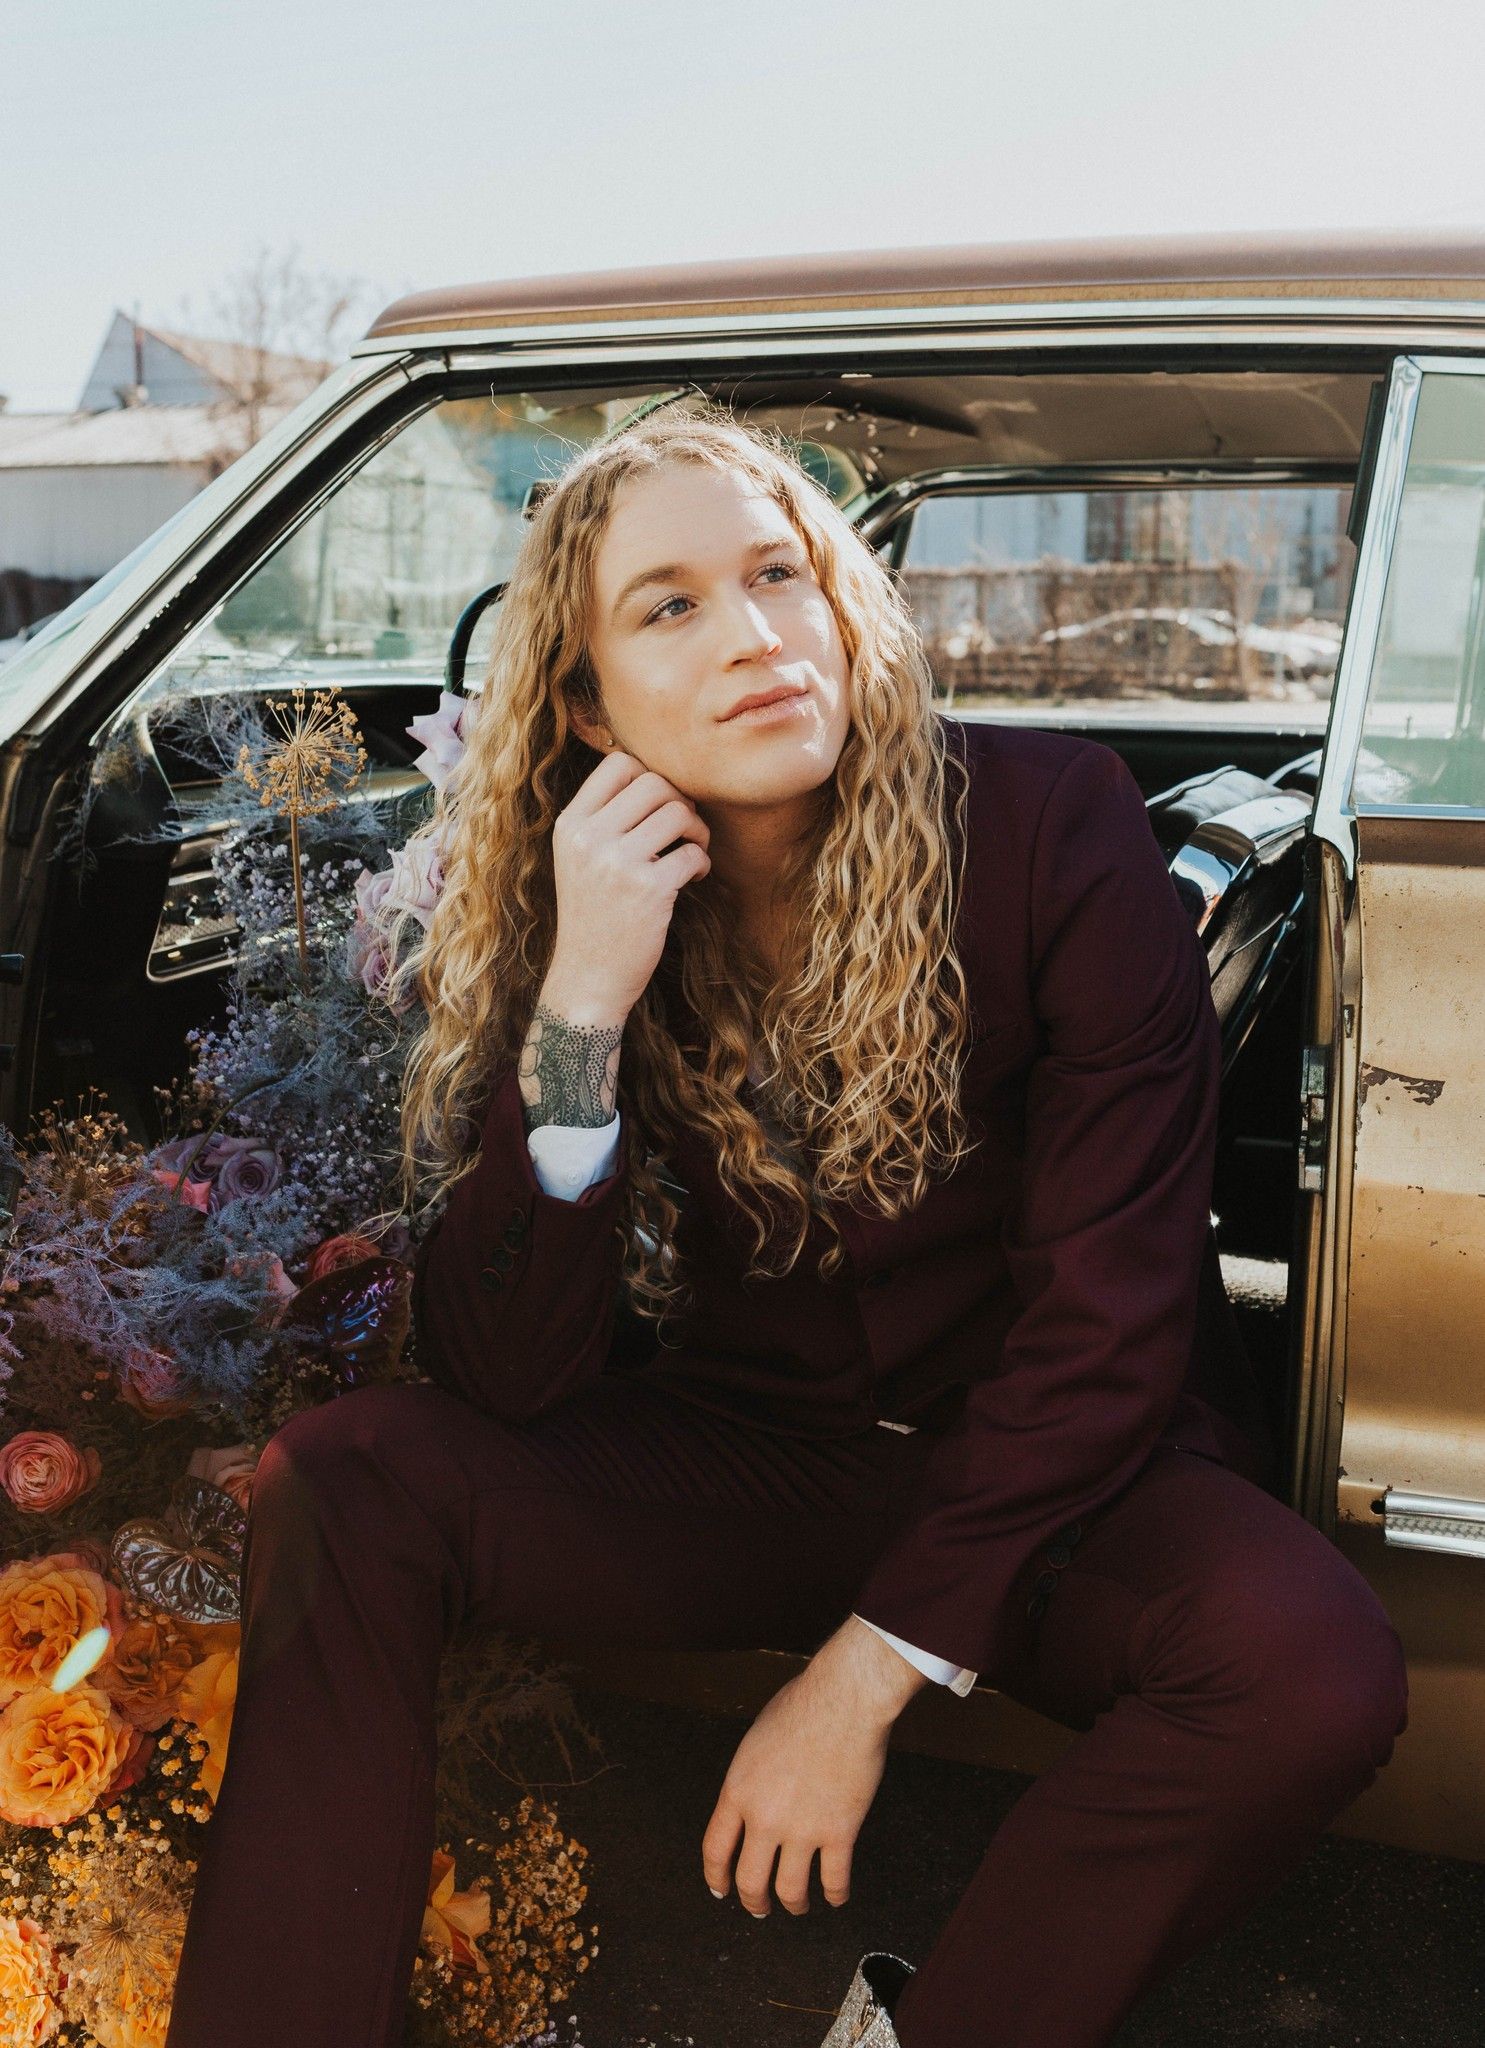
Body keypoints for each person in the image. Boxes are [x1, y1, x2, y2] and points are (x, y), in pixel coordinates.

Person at [163, 405, 1408, 2048]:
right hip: (758, 1448)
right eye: (669, 604)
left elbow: (1109, 1318)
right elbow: (505, 1370)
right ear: (588, 698)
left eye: (779, 576)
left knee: (1307, 1668)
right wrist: (585, 999)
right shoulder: (582, 886)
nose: (753, 635)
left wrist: (862, 1676)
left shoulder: (1050, 827)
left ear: (841, 605)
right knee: (356, 1479)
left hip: (1056, 1476)